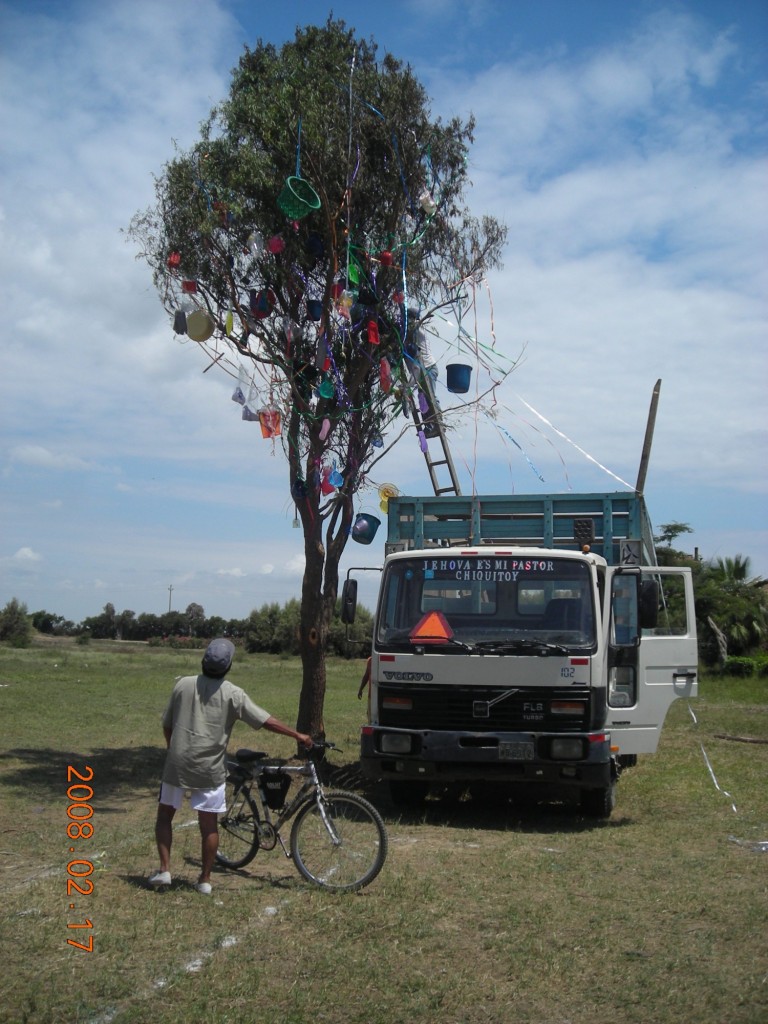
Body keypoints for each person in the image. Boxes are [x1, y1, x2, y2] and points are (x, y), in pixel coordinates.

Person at [148, 638, 313, 895]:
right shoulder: (233, 693)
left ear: (203, 661)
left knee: (165, 816)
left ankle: (164, 869)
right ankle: (204, 879)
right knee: (209, 825)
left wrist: (173, 750)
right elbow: (264, 720)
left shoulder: (182, 685)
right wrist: (297, 735)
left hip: (177, 763)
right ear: (229, 666)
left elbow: (167, 724)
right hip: (210, 768)